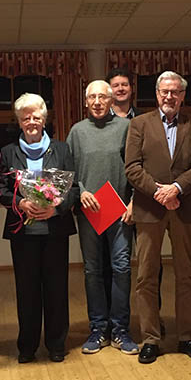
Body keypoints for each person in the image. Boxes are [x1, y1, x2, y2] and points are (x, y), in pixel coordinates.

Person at [125, 71, 191, 364]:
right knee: (146, 275)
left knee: (186, 275)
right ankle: (150, 338)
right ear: (157, 93)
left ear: (183, 95)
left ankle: (187, 336)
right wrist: (159, 192)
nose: (169, 97)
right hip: (149, 209)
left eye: (175, 92)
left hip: (184, 208)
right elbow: (132, 167)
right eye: (164, 91)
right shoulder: (139, 124)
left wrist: (176, 188)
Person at [0, 93, 78, 363]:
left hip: (55, 229)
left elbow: (74, 190)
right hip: (24, 231)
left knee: (56, 288)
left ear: (44, 120)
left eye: (36, 117)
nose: (31, 122)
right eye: (25, 118)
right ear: (19, 122)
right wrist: (20, 202)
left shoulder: (62, 149)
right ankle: (27, 346)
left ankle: (56, 344)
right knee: (27, 290)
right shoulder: (8, 152)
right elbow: (0, 189)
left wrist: (56, 208)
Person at [67, 80, 138, 355]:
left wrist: (133, 201)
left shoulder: (125, 128)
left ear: (111, 101)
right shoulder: (77, 131)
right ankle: (98, 328)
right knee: (92, 271)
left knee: (121, 268)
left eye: (102, 97)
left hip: (120, 212)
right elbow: (69, 170)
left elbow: (135, 166)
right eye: (92, 97)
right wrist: (81, 192)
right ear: (85, 102)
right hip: (89, 213)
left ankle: (121, 329)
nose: (97, 102)